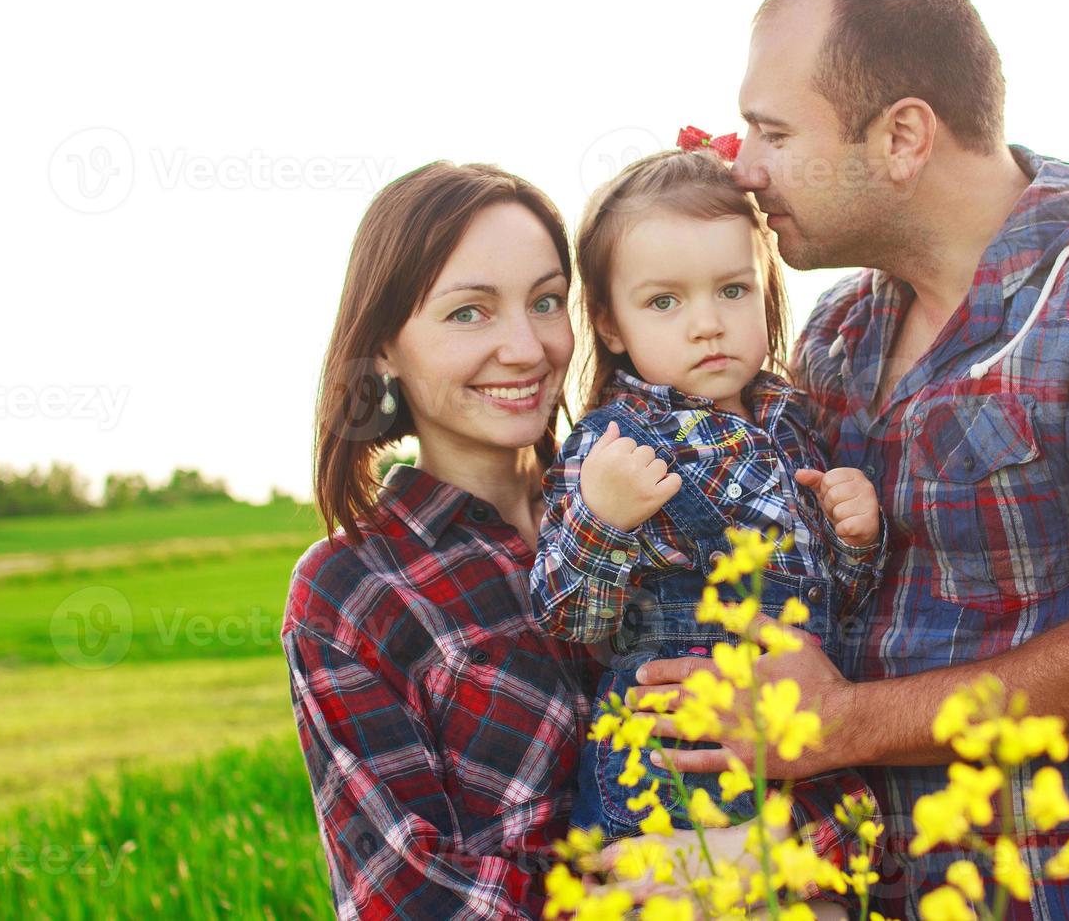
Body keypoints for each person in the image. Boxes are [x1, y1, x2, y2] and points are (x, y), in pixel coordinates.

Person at [633, 0, 1069, 919]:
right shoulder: (836, 333)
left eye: (773, 132)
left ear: (902, 136)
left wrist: (843, 725)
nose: (743, 166)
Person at [283, 160, 866, 919]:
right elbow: (405, 895)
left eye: (546, 302)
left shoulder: (686, 492)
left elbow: (842, 749)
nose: (525, 348)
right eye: (470, 313)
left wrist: (750, 856)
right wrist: (648, 888)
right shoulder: (353, 590)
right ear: (385, 345)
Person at [528, 147, 886, 850]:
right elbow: (567, 614)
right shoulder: (616, 444)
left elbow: (838, 606)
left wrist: (856, 539)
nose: (707, 323)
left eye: (732, 290)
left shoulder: (796, 424)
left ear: (766, 290)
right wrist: (602, 520)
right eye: (664, 301)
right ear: (609, 325)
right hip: (676, 764)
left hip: (803, 756)